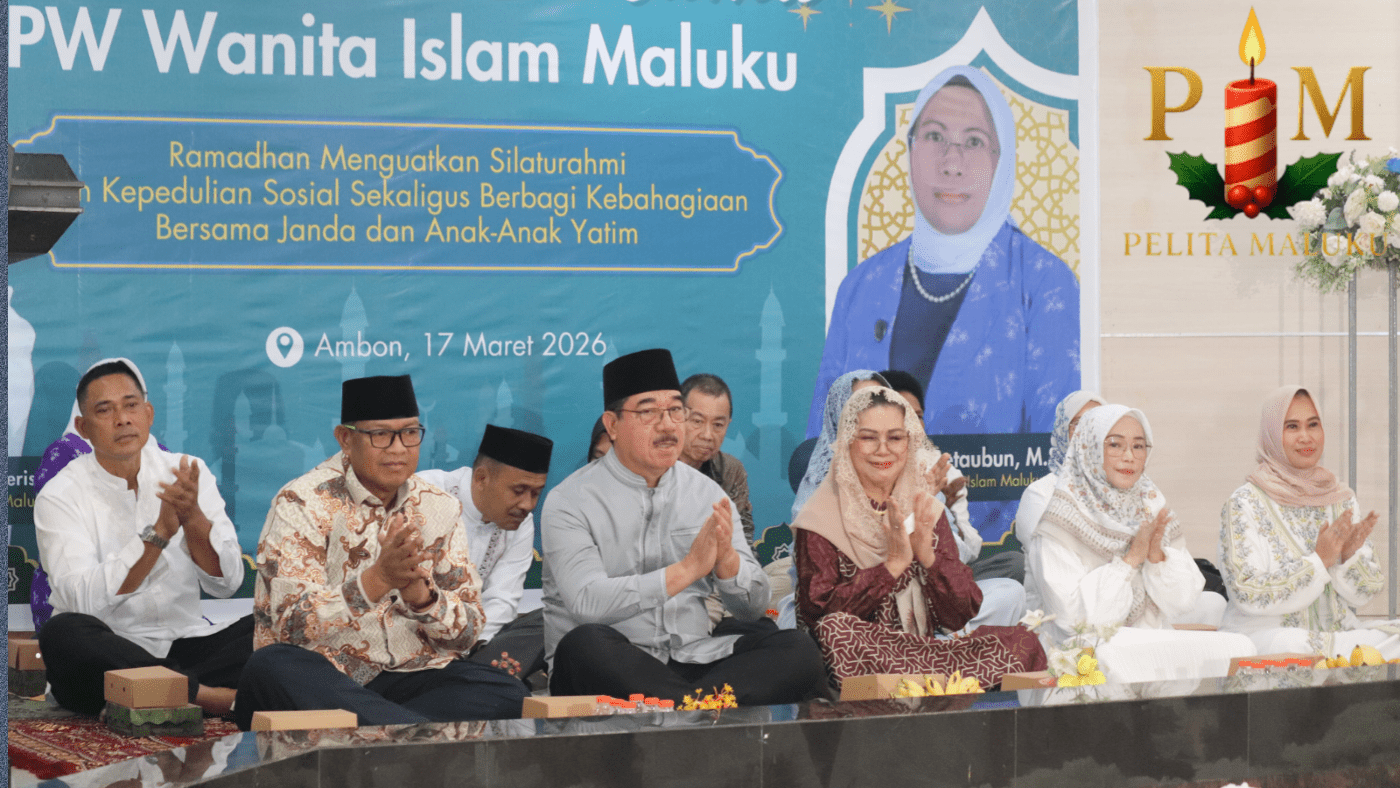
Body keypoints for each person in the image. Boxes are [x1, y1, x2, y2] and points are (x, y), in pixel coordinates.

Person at [809, 65, 1081, 552]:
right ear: (911, 150)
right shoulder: (862, 286)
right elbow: (822, 441)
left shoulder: (1043, 283)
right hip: (863, 544)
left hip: (996, 552)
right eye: (935, 136)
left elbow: (1057, 455)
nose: (952, 163)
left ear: (1001, 160)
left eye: (974, 142)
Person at [235, 375, 525, 729]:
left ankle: (390, 732)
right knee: (272, 666)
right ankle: (415, 735)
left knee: (508, 692)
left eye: (410, 433)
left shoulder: (439, 506)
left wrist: (422, 597)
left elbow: (467, 633)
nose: (399, 448)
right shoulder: (302, 501)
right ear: (345, 438)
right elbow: (290, 625)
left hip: (407, 676)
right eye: (381, 435)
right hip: (325, 676)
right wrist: (376, 581)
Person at [543, 349, 827, 705]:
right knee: (583, 645)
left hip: (692, 659)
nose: (667, 426)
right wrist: (687, 570)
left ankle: (685, 707)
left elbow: (752, 608)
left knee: (797, 649)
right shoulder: (569, 500)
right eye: (648, 412)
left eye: (676, 411)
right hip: (616, 662)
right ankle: (702, 708)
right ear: (612, 425)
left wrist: (728, 564)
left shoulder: (707, 494)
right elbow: (587, 602)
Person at [793, 385, 1046, 689]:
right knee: (837, 630)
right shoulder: (821, 517)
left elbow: (961, 614)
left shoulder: (924, 507)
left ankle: (922, 678)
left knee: (1024, 642)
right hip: (860, 655)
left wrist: (929, 559)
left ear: (910, 442)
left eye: (895, 438)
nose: (883, 449)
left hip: (923, 651)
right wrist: (891, 567)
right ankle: (939, 678)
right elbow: (817, 614)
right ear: (847, 443)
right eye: (869, 438)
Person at [35, 359, 250, 717]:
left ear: (148, 414)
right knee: (63, 634)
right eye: (105, 410)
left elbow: (227, 583)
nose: (122, 419)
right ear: (83, 427)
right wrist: (159, 535)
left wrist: (193, 518)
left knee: (272, 628)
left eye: (131, 405)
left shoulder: (186, 473)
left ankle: (169, 690)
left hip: (187, 644)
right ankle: (207, 697)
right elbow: (84, 602)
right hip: (110, 654)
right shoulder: (60, 495)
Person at [1025, 405, 1254, 682]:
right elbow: (1072, 619)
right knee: (1114, 658)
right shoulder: (1060, 520)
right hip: (1081, 655)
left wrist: (1157, 556)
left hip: (1148, 642)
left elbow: (1183, 601)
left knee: (1240, 648)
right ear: (1089, 448)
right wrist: (1130, 560)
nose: (1129, 456)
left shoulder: (1150, 503)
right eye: (1115, 445)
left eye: (1138, 446)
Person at [1218, 386, 1397, 659]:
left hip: (1337, 634)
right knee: (1293, 646)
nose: (1306, 437)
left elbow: (1366, 593)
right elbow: (1246, 592)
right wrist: (1319, 561)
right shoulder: (1245, 503)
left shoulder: (1340, 499)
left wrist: (1347, 558)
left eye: (1313, 425)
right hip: (1269, 635)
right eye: (1292, 427)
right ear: (1272, 434)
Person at [880, 368, 1026, 624]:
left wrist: (947, 513)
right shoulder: (871, 468)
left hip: (945, 576)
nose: (913, 424)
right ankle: (949, 635)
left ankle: (949, 632)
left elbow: (966, 553)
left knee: (1013, 570)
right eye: (904, 415)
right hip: (892, 582)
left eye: (918, 416)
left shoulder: (940, 468)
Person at [417, 424, 553, 686]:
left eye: (536, 493)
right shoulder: (424, 493)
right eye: (518, 491)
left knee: (551, 620)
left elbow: (502, 599)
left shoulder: (522, 522)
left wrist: (468, 646)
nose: (528, 504)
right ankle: (481, 681)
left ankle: (474, 677)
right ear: (481, 478)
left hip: (472, 645)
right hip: (414, 640)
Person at [1015, 390, 1106, 546]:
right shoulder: (1040, 494)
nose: (1087, 431)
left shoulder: (1124, 490)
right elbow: (1046, 553)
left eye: (1096, 422)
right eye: (1078, 423)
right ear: (1062, 431)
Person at [679, 373, 755, 547]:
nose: (707, 435)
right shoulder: (652, 467)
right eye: (697, 421)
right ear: (677, 416)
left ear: (728, 424)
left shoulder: (730, 470)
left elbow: (743, 540)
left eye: (718, 425)